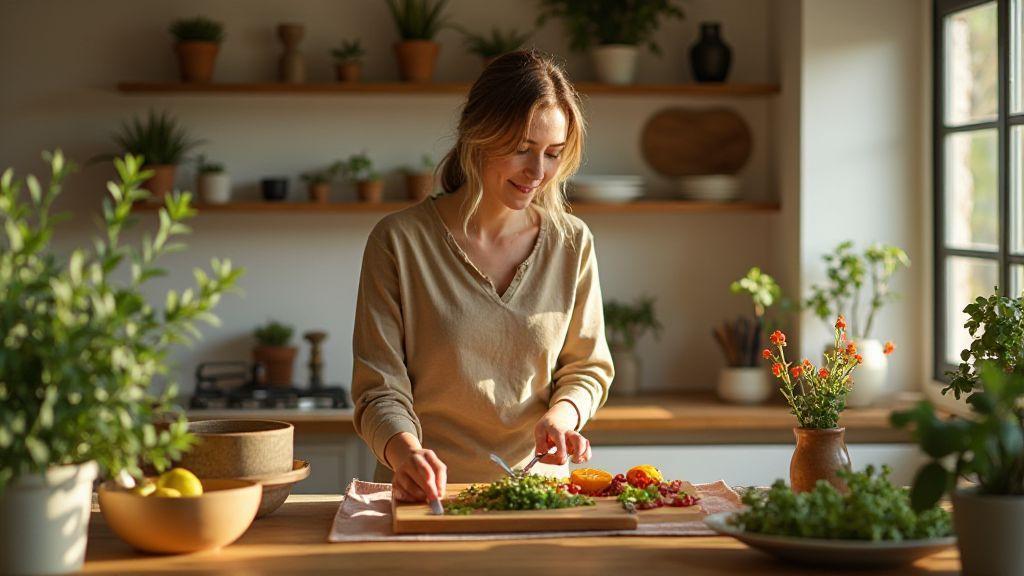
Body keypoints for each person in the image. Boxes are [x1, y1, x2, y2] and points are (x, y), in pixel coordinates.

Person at [351, 50, 614, 503]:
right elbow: (379, 389)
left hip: (538, 498)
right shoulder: (399, 241)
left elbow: (586, 366)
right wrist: (406, 453)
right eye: (521, 149)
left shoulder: (572, 243)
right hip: (426, 497)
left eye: (553, 154)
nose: (538, 173)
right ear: (478, 137)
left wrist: (563, 416)